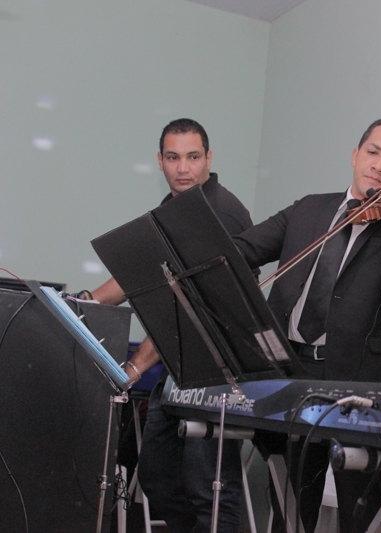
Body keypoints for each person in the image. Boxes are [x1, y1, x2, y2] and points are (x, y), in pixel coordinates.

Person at [232, 118, 381, 533]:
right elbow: (241, 250)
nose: (379, 165)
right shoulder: (308, 209)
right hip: (292, 371)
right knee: (291, 502)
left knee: (359, 507)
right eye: (373, 152)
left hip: (364, 381)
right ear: (355, 155)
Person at [89, 118, 253, 533]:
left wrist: (136, 366)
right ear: (160, 161)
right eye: (173, 157)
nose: (183, 168)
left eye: (193, 157)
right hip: (180, 367)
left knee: (209, 489)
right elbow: (139, 274)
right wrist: (84, 303)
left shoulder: (221, 213)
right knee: (157, 476)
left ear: (209, 158)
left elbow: (191, 307)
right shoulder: (171, 209)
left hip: (220, 372)